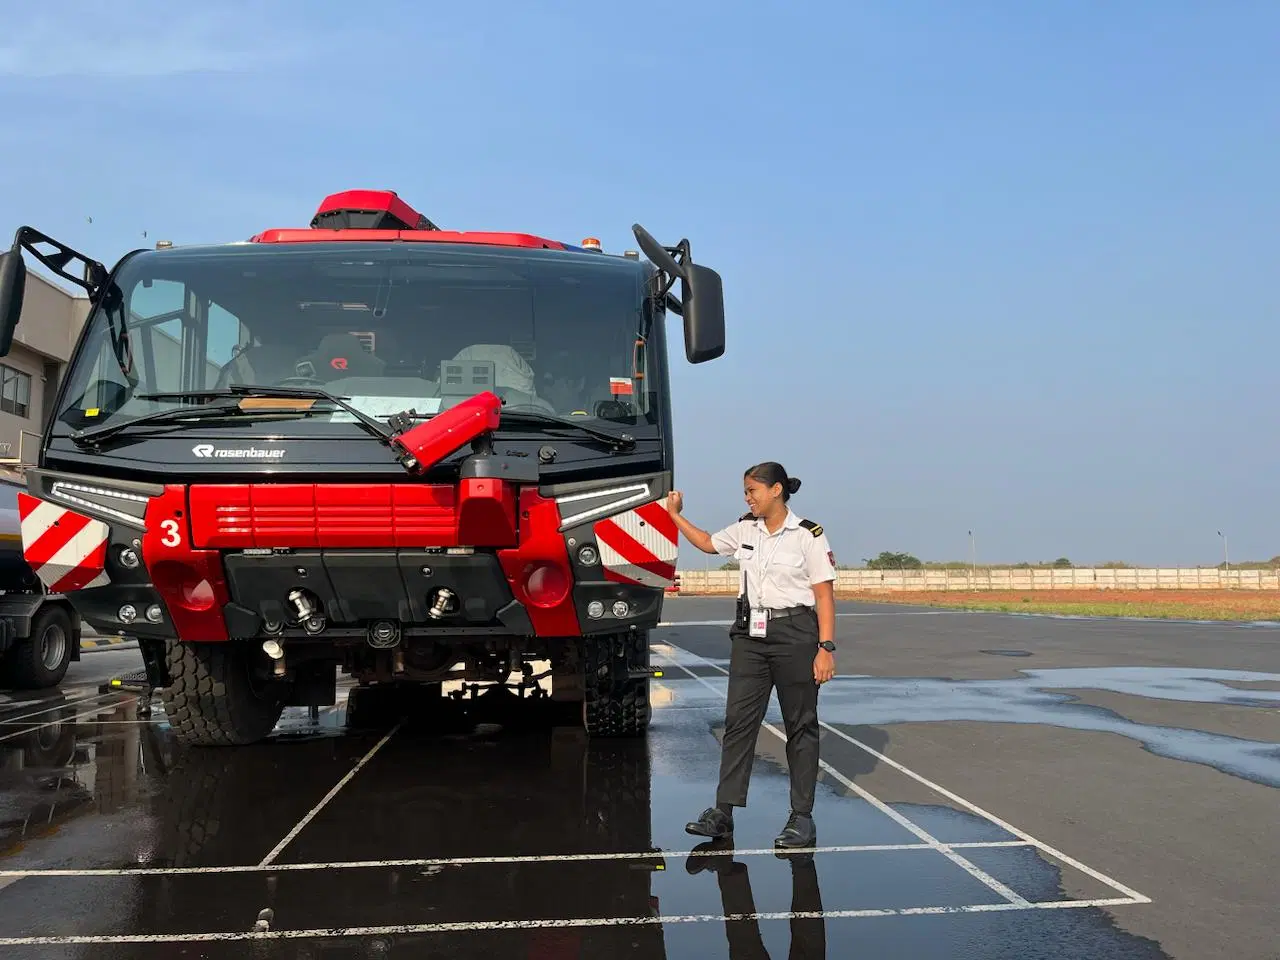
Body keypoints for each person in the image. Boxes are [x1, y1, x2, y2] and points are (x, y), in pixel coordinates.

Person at [665, 461, 838, 849]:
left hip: (796, 634)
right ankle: (722, 813)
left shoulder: (808, 535)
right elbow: (708, 543)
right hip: (750, 635)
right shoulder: (745, 528)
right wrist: (676, 516)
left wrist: (825, 648)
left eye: (752, 491)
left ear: (776, 490)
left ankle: (801, 818)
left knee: (800, 725)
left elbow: (824, 596)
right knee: (739, 721)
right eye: (745, 492)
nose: (747, 498)